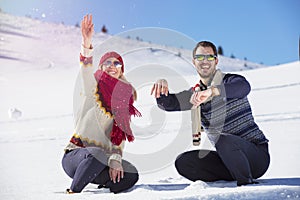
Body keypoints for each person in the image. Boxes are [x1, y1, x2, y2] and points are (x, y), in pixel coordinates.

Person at [150, 41, 270, 186]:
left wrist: (212, 92)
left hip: (256, 157)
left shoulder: (231, 81)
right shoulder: (195, 95)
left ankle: (246, 184)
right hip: (228, 160)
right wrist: (161, 88)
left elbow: (244, 87)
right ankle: (231, 177)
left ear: (216, 61)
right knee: (184, 162)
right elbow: (168, 104)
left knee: (223, 139)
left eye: (209, 57)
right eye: (200, 57)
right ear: (194, 62)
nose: (205, 61)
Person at [62, 14, 141, 194]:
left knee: (130, 174)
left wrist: (115, 160)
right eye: (107, 62)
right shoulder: (93, 86)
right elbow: (86, 69)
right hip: (76, 156)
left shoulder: (124, 98)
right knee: (96, 153)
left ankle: (100, 182)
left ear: (121, 70)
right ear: (101, 67)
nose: (112, 65)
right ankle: (74, 192)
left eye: (116, 63)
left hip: (100, 161)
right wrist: (86, 42)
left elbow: (119, 138)